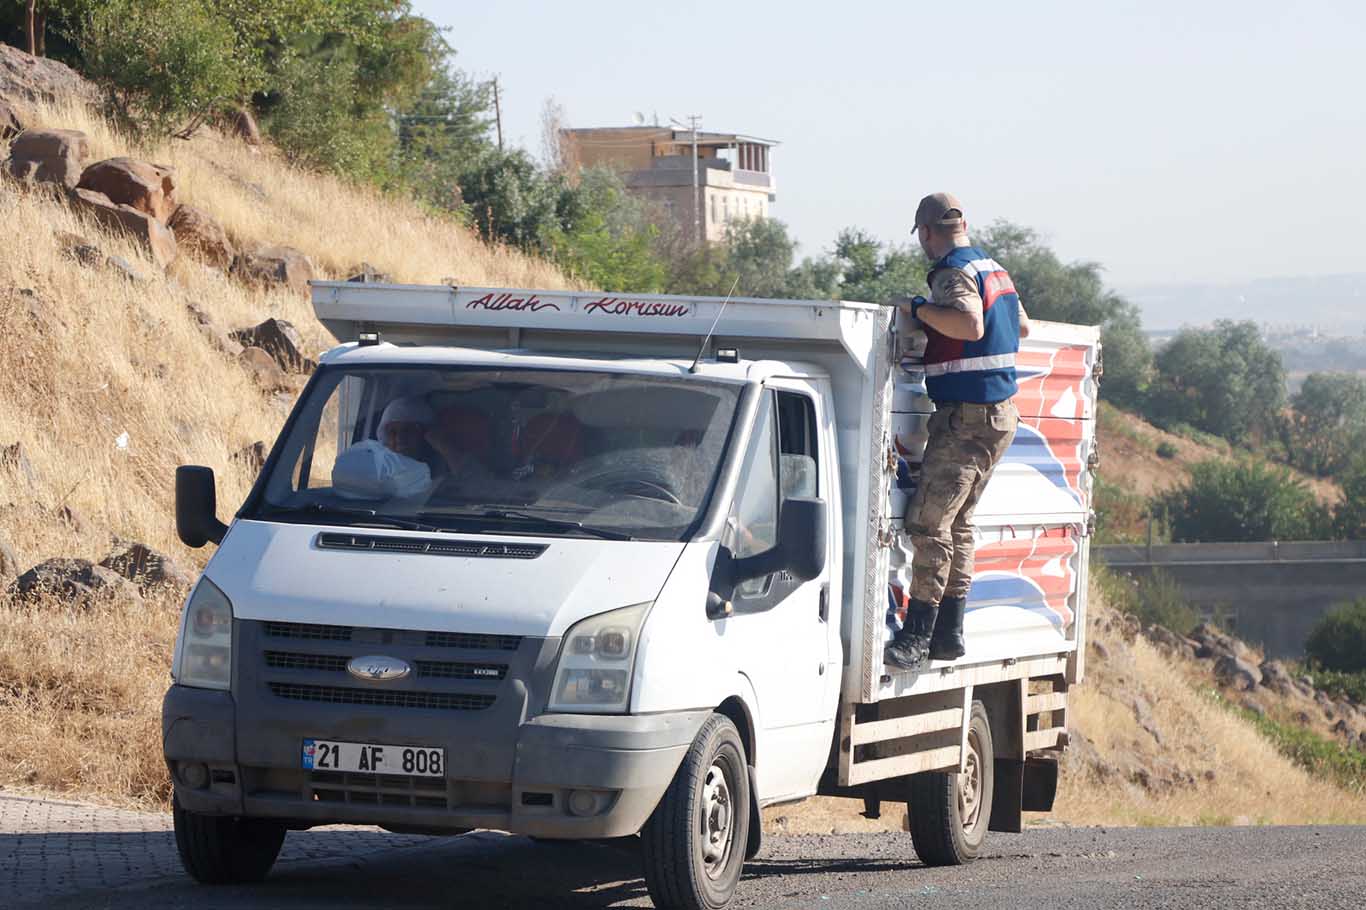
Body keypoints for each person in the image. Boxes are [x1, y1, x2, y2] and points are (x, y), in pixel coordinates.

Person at [884, 192, 1031, 671]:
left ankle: (917, 636)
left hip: (966, 416)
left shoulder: (952, 272)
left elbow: (968, 323)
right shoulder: (995, 270)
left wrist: (920, 309)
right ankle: (950, 633)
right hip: (998, 416)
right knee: (960, 524)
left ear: (927, 232)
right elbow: (1020, 327)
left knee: (929, 525)